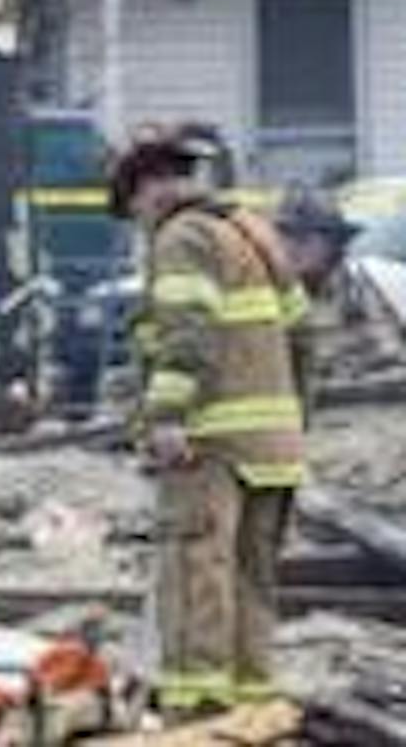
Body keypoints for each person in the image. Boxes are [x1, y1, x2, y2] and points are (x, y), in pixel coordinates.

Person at [111, 124, 311, 719]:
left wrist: (167, 417)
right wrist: (297, 425)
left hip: (209, 446)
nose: (139, 225)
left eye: (134, 212)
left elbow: (187, 334)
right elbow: (305, 337)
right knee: (253, 581)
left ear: (145, 190)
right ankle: (253, 712)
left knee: (197, 574)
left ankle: (198, 713)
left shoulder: (181, 238)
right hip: (274, 448)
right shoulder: (254, 234)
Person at [273, 185, 399, 385]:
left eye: (305, 237)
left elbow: (390, 359)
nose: (292, 246)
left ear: (333, 242)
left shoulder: (366, 291)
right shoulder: (268, 293)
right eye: (286, 235)